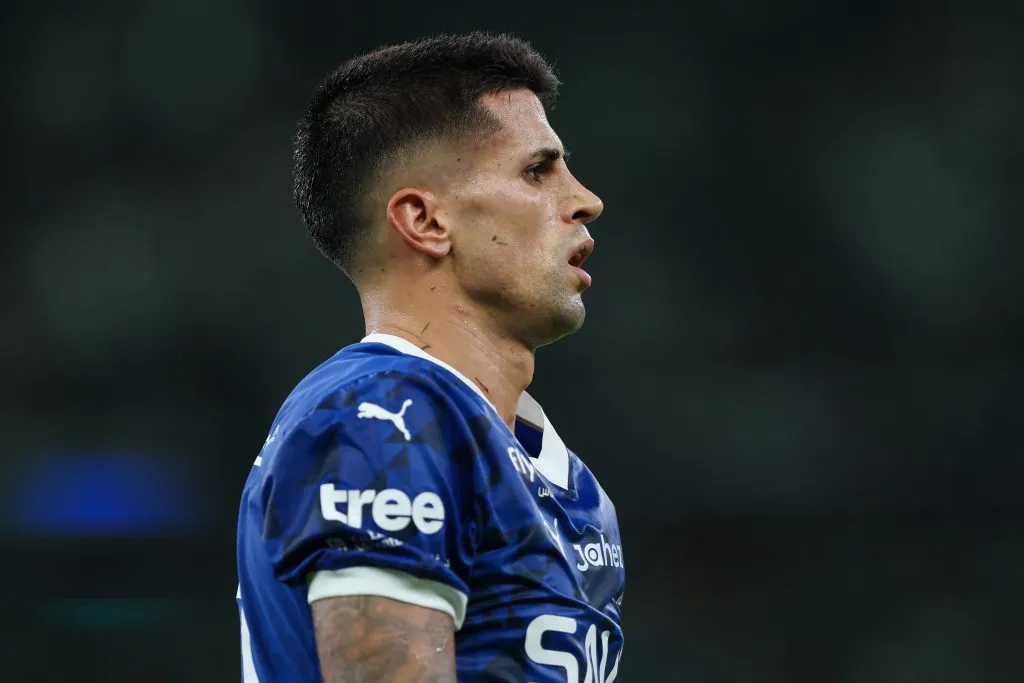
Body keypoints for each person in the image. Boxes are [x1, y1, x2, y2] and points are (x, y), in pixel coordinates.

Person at [236, 31, 623, 682]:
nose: (585, 199)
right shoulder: (383, 415)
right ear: (425, 221)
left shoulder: (567, 480)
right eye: (537, 170)